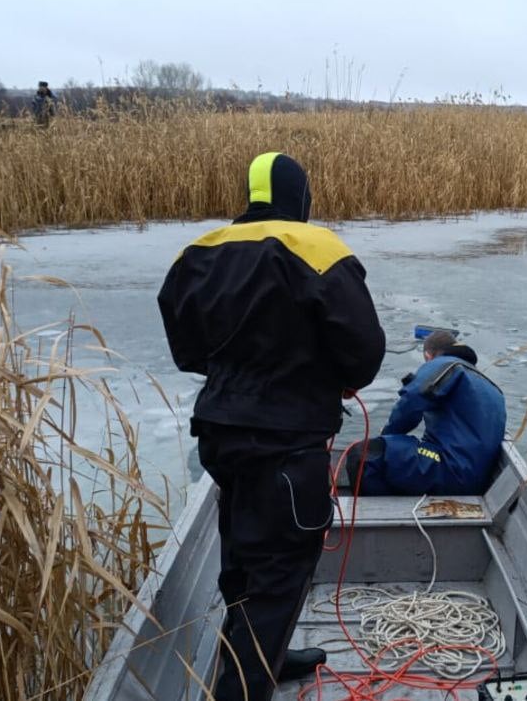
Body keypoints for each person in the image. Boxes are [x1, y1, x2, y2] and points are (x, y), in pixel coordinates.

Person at [158, 152, 385, 701]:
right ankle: (244, 688)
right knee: (281, 571)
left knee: (240, 555)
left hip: (221, 435)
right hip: (287, 445)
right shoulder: (319, 249)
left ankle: (267, 660)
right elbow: (364, 355)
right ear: (300, 196)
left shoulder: (200, 252)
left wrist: (240, 373)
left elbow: (186, 348)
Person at [346, 330, 506, 496]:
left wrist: (386, 437)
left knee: (365, 455)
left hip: (451, 470)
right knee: (396, 451)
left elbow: (412, 399)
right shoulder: (489, 385)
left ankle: (375, 514)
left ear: (429, 356)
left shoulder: (446, 365)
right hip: (475, 478)